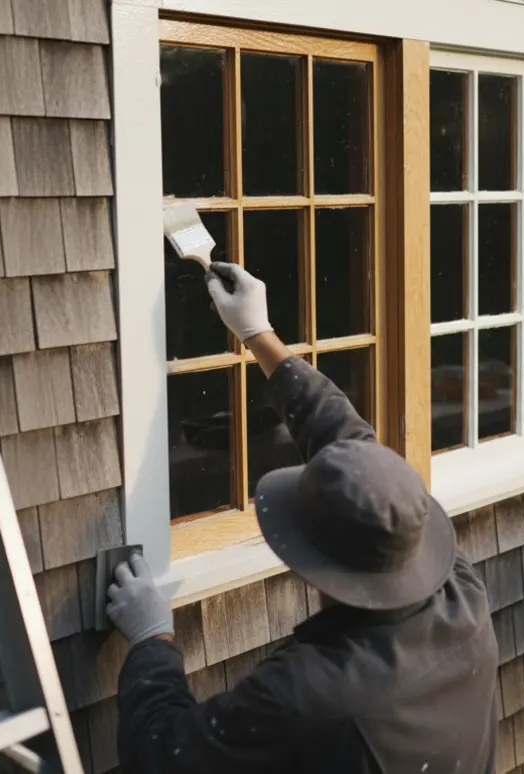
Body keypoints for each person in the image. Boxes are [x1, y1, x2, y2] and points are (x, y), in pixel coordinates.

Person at [106, 261, 500, 773]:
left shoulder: (307, 695)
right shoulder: (462, 596)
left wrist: (152, 642)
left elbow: (161, 756)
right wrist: (259, 335)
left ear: (312, 561)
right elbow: (354, 448)